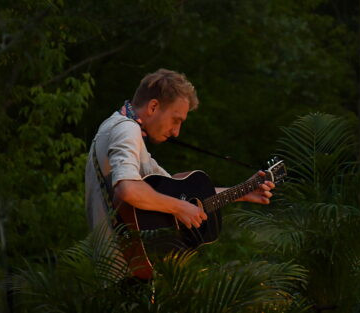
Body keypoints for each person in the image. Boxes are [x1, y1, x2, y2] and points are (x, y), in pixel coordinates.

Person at [85, 68, 275, 236]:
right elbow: (128, 189)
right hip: (118, 266)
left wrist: (241, 191)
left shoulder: (122, 129)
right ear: (153, 107)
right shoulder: (126, 129)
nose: (176, 132)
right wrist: (179, 208)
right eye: (176, 120)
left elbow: (181, 195)